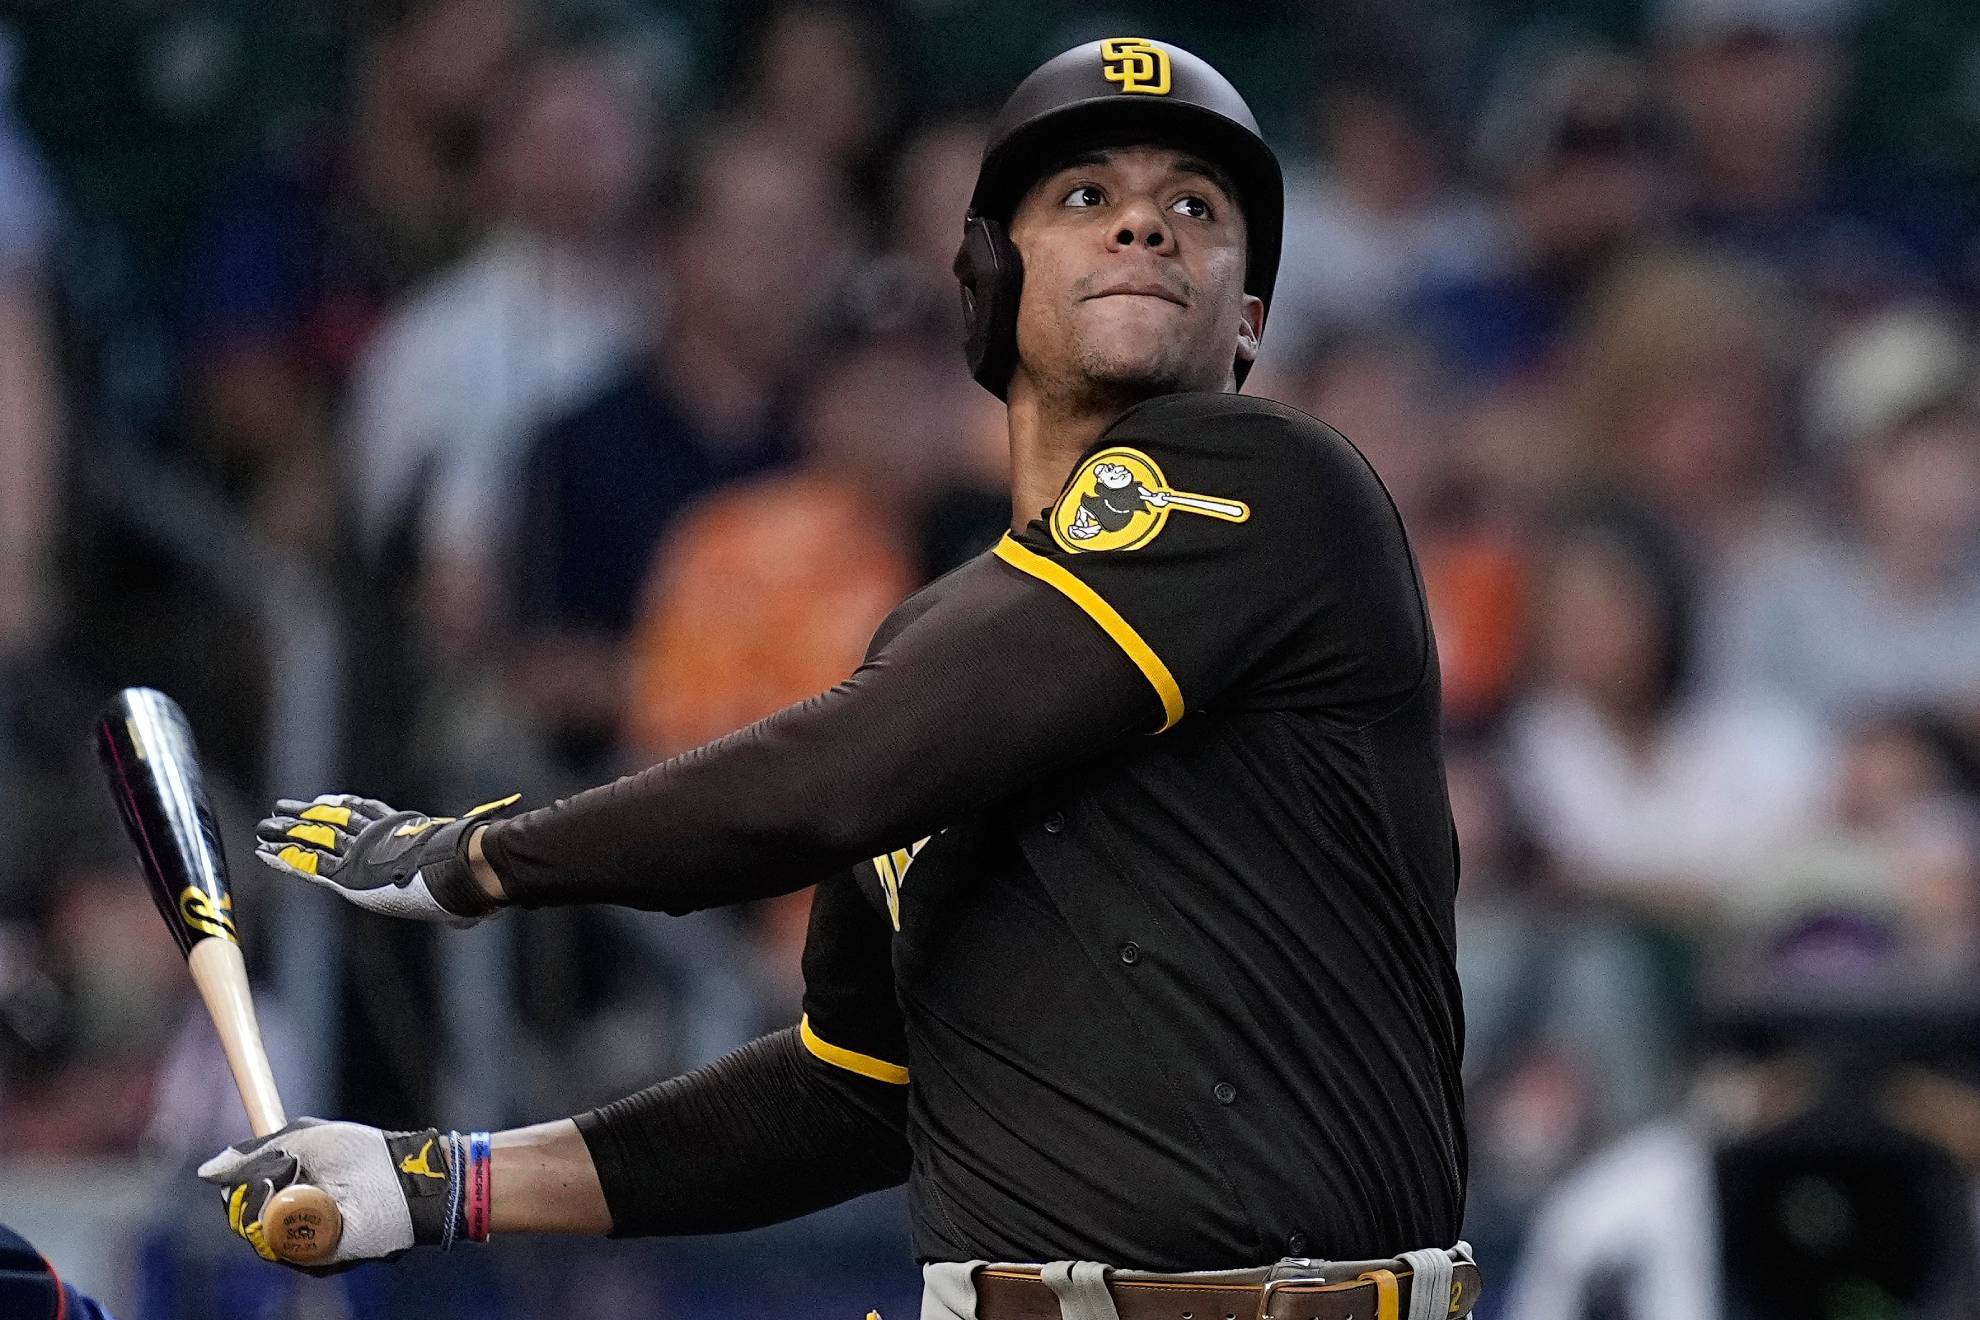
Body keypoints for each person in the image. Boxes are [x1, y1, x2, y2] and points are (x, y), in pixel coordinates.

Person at [206, 39, 1479, 1320]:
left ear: (1251, 316)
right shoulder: (934, 655)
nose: (1146, 220)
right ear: (985, 283)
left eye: (1197, 209)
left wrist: (486, 858)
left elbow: (842, 776)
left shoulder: (1278, 488)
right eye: (1086, 197)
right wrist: (435, 1181)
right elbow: (848, 1087)